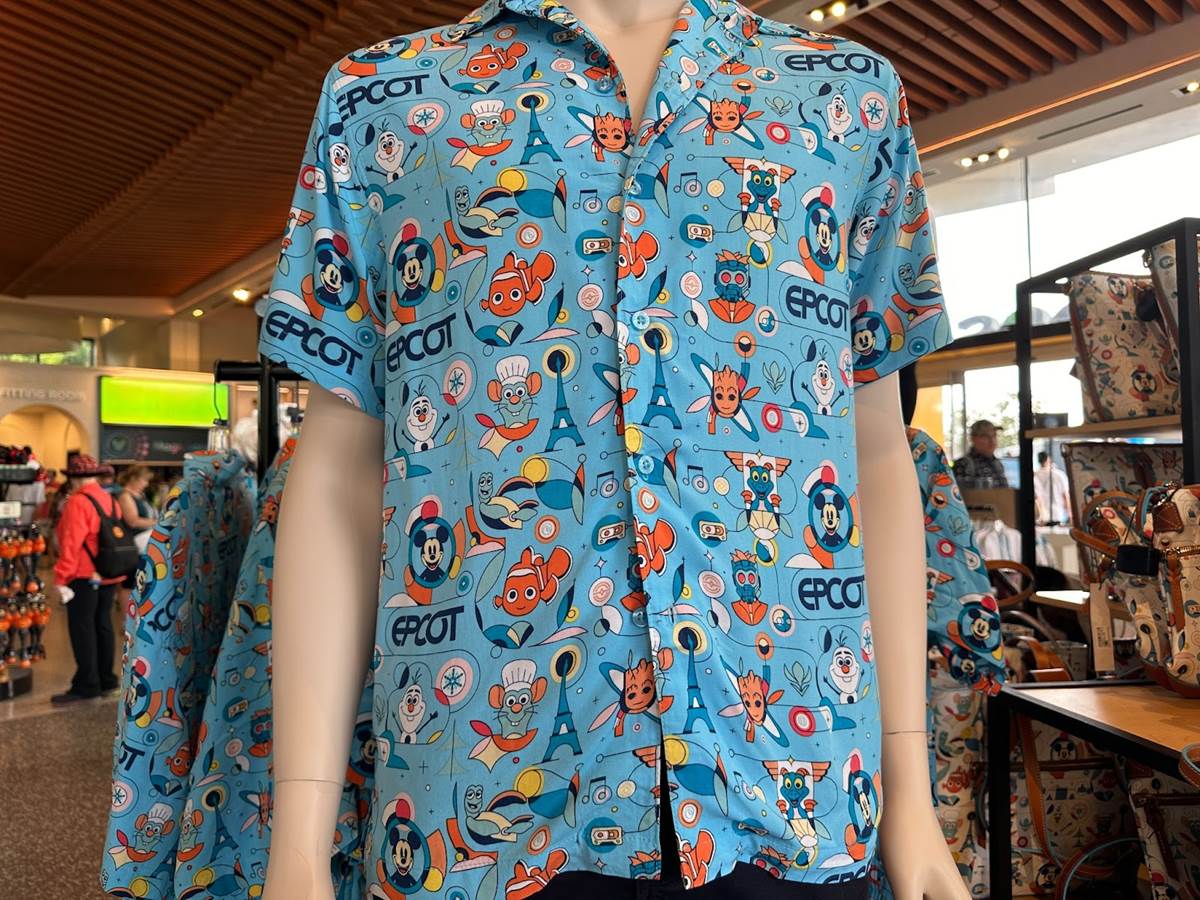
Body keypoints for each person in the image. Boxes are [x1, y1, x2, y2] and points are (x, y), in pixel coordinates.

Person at [51, 454, 126, 704]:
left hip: (83, 574)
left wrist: (61, 577)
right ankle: (107, 679)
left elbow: (71, 543)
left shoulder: (78, 502)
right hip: (107, 571)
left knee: (82, 628)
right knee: (103, 625)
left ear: (74, 478)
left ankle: (87, 684)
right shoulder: (110, 499)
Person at [115, 465, 157, 607]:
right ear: (134, 478)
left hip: (144, 544)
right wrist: (157, 523)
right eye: (144, 480)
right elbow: (133, 521)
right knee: (129, 584)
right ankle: (126, 617)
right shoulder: (125, 496)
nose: (146, 484)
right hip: (134, 544)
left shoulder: (141, 495)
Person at [953, 419, 1009, 489]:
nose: (992, 441)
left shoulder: (997, 463)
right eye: (985, 436)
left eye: (994, 435)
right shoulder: (964, 464)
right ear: (973, 438)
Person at [1034, 450, 1071, 524]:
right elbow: (1065, 495)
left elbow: (1037, 498)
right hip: (1058, 515)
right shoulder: (1059, 475)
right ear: (1049, 459)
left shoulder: (1035, 476)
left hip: (1043, 517)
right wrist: (1070, 513)